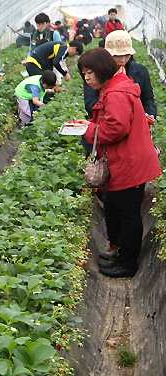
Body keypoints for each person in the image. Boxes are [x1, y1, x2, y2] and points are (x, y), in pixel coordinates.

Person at [76, 48, 162, 277]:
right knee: (118, 208)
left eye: (89, 72)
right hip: (125, 159)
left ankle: (128, 264)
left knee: (129, 214)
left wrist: (89, 129)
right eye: (84, 73)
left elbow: (115, 129)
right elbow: (112, 121)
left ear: (103, 70)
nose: (86, 78)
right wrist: (88, 123)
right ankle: (121, 253)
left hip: (130, 162)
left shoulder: (116, 93)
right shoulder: (114, 87)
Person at [84, 30, 157, 122]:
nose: (122, 60)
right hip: (104, 123)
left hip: (135, 123)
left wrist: (150, 114)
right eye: (117, 55)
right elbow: (90, 105)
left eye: (126, 55)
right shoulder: (95, 72)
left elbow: (147, 99)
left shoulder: (141, 71)